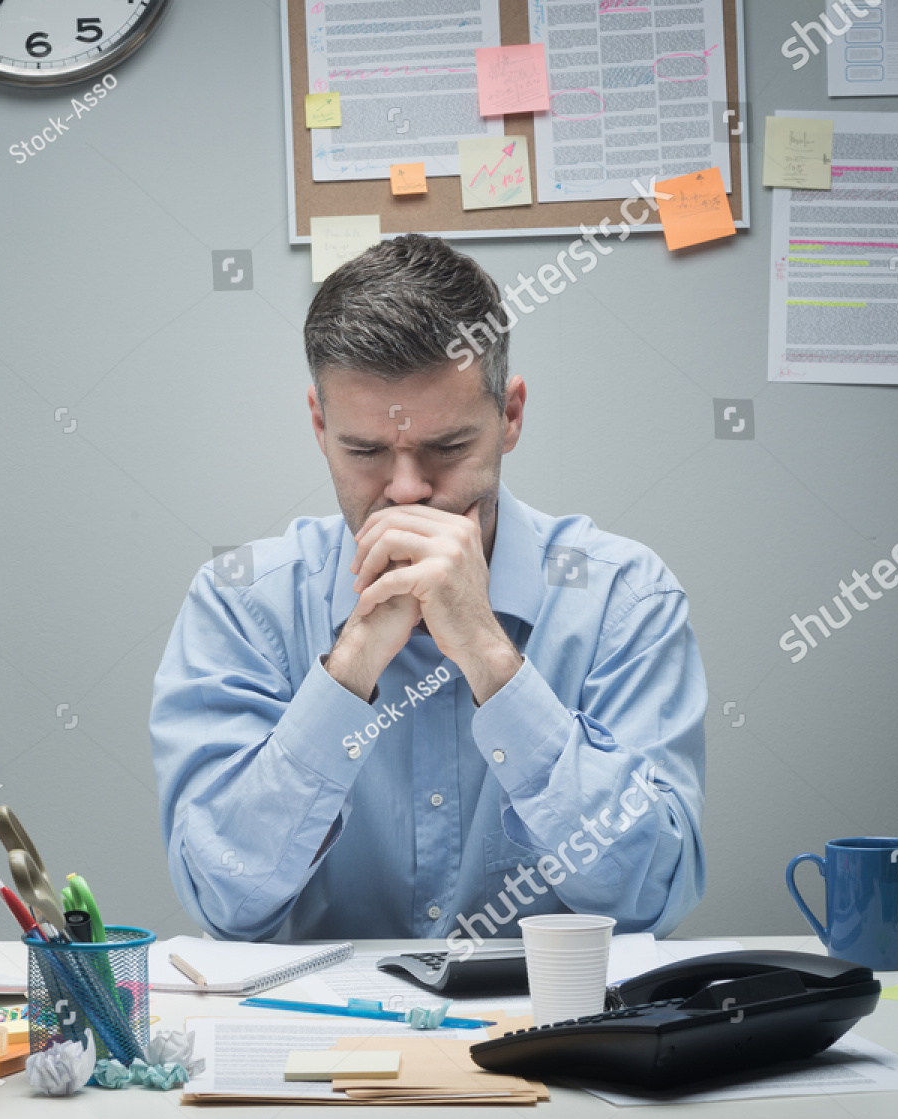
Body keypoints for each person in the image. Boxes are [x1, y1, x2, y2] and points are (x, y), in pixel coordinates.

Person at [150, 234, 706, 943]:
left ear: (511, 415)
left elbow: (651, 896)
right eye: (366, 451)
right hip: (321, 1042)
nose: (407, 489)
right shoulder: (239, 605)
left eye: (447, 448)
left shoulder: (627, 600)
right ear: (320, 427)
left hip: (551, 1040)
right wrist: (349, 667)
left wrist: (490, 657)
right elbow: (222, 897)